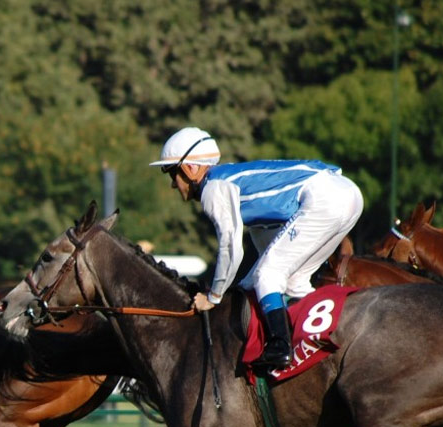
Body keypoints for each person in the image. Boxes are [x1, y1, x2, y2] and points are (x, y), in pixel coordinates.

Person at [150, 127, 364, 371]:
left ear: (190, 168)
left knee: (269, 276)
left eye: (170, 173)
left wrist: (213, 297)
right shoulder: (246, 197)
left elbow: (231, 248)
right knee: (294, 282)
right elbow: (266, 252)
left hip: (326, 198)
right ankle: (316, 343)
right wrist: (241, 286)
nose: (172, 185)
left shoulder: (213, 188)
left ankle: (279, 348)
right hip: (348, 194)